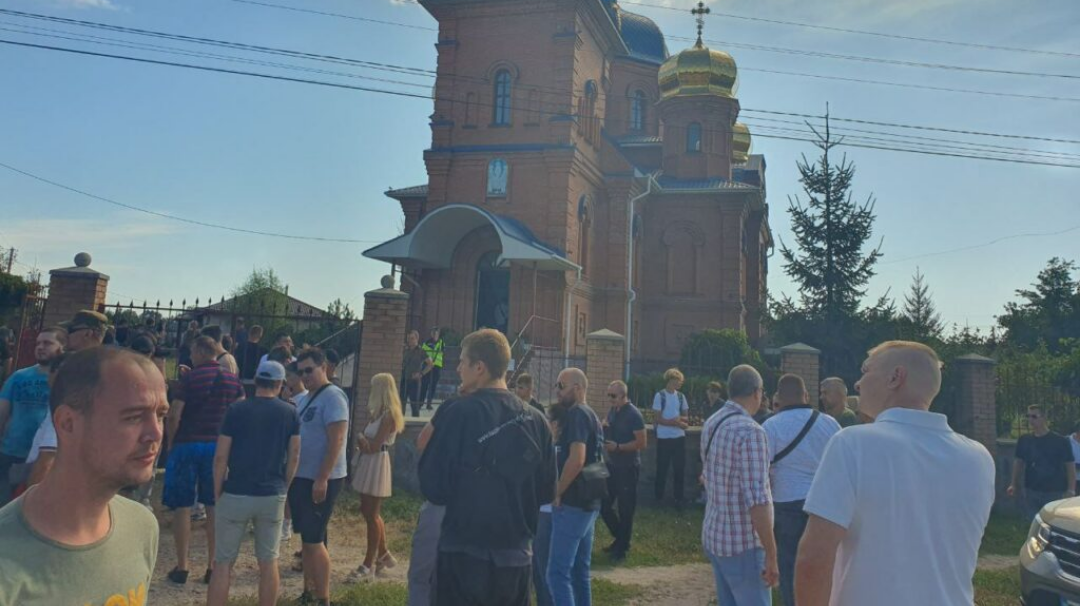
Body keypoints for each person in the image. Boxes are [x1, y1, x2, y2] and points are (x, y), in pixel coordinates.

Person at [796, 341, 996, 606]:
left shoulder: (852, 444)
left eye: (866, 371)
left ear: (895, 377)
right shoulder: (979, 458)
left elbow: (814, 559)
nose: (857, 384)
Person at [0, 347, 166, 605]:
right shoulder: (8, 560)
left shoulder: (142, 527)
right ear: (68, 423)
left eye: (160, 415)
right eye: (133, 417)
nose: (155, 434)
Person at [418, 328, 556, 606]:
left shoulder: (457, 414)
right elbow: (546, 491)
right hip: (515, 560)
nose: (457, 369)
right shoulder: (537, 421)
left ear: (479, 367)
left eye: (462, 362)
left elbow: (433, 486)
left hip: (463, 556)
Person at [207, 360, 300, 606]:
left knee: (223, 563)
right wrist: (285, 486)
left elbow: (220, 457)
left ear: (256, 381)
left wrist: (217, 490)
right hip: (272, 493)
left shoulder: (236, 410)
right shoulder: (290, 412)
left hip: (236, 491)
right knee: (269, 562)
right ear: (280, 385)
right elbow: (294, 457)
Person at [163, 336, 245, 585]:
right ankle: (212, 566)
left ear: (199, 351)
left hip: (187, 444)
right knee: (213, 506)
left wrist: (170, 443)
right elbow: (239, 412)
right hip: (217, 447)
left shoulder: (189, 379)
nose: (191, 357)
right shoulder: (233, 380)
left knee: (183, 506)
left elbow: (175, 414)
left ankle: (182, 566)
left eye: (192, 353)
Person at [700, 364, 778, 606]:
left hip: (716, 534)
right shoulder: (751, 432)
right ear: (757, 392)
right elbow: (757, 500)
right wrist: (772, 555)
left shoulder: (713, 422)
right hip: (743, 543)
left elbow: (707, 475)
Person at [761, 374, 840, 606]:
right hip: (823, 504)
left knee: (789, 565)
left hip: (786, 504)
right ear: (806, 395)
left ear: (779, 397)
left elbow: (763, 471)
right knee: (826, 564)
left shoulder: (770, 426)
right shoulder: (829, 423)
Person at [289, 347, 350, 606]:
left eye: (309, 370)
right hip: (302, 477)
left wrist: (322, 477)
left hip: (322, 477)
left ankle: (323, 597)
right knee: (308, 539)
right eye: (301, 372)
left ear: (323, 367)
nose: (305, 376)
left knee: (314, 538)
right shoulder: (303, 399)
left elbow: (336, 440)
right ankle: (309, 591)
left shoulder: (334, 397)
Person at [546, 367, 604, 606]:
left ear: (577, 389)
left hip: (573, 503)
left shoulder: (577, 414)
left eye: (561, 385)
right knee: (580, 571)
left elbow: (577, 458)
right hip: (589, 501)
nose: (557, 391)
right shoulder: (591, 414)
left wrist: (556, 491)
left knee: (557, 573)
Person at [348, 373, 406, 581]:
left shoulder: (389, 415)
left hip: (376, 462)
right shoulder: (377, 412)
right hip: (368, 462)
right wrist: (363, 441)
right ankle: (383, 554)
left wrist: (361, 439)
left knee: (372, 514)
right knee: (368, 511)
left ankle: (368, 563)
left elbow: (373, 446)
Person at [0, 327, 64, 504]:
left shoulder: (65, 381)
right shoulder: (19, 376)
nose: (40, 347)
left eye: (47, 343)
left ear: (61, 348)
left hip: (46, 457)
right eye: (38, 343)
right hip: (11, 452)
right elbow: (2, 412)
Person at [407, 402, 453, 606]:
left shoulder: (452, 408)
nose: (459, 368)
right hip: (476, 509)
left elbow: (422, 441)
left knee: (422, 575)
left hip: (440, 502)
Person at [600, 380, 646, 563]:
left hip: (628, 467)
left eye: (613, 396)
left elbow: (642, 443)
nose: (610, 399)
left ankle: (622, 547)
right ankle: (621, 537)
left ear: (623, 396)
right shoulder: (614, 410)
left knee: (626, 508)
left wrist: (618, 447)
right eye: (608, 395)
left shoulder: (634, 414)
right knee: (604, 504)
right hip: (612, 465)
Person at [1008, 405, 1076, 520]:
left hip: (1054, 491)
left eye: (1034, 416)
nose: (1030, 420)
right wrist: (1013, 484)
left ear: (1044, 418)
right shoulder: (1024, 440)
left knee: (1052, 523)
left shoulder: (1060, 441)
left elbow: (1070, 466)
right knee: (1033, 523)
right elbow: (1018, 462)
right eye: (1028, 416)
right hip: (1031, 489)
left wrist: (1071, 489)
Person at [653, 368, 689, 507]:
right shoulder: (660, 396)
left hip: (679, 437)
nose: (679, 384)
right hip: (664, 437)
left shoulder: (681, 396)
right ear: (670, 380)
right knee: (662, 468)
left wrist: (681, 422)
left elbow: (686, 416)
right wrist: (673, 422)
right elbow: (658, 418)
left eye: (680, 382)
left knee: (679, 469)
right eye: (676, 381)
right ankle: (658, 498)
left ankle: (678, 498)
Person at [401, 329, 433, 417]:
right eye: (408, 339)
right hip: (403, 380)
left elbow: (430, 364)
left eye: (412, 338)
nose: (410, 341)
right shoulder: (405, 350)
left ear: (417, 339)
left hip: (414, 381)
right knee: (401, 404)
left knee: (414, 405)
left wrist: (421, 374)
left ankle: (415, 424)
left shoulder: (421, 351)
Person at [420, 327, 445, 410]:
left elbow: (442, 353)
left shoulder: (441, 343)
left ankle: (429, 404)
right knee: (424, 385)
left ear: (438, 334)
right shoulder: (427, 343)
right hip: (428, 366)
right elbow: (423, 353)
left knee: (433, 386)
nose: (434, 335)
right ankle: (420, 403)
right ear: (431, 334)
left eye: (436, 333)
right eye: (433, 333)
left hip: (437, 367)